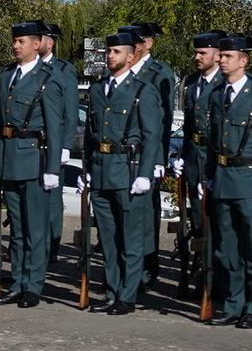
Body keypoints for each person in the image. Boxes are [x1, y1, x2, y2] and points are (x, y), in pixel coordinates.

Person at [81, 32, 163, 315]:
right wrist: (87, 169)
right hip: (101, 170)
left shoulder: (142, 91)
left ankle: (127, 295)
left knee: (130, 238)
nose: (110, 56)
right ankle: (112, 291)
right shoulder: (97, 90)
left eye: (116, 52)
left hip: (128, 171)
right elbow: (91, 134)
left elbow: (152, 137)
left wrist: (145, 174)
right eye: (108, 51)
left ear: (130, 56)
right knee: (108, 238)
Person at [0, 22, 64, 308]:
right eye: (14, 41)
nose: (16, 46)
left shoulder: (47, 79)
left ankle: (33, 285)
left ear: (36, 44)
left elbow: (54, 126)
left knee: (35, 229)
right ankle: (17, 282)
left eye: (21, 41)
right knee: (17, 228)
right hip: (9, 158)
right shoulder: (7, 75)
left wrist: (53, 167)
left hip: (33, 159)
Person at [205, 34, 252, 328]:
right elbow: (213, 142)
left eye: (228, 57)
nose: (221, 60)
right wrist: (209, 177)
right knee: (226, 248)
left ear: (243, 61)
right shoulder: (216, 95)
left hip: (249, 180)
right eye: (221, 56)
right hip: (223, 179)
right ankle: (232, 304)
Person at [120, 22, 176, 291]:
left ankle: (147, 268)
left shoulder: (159, 72)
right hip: (121, 155)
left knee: (145, 215)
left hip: (147, 153)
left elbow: (164, 120)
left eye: (135, 42)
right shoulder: (123, 69)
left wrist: (159, 158)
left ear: (148, 44)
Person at [173, 30, 226, 291]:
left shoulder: (224, 83)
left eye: (203, 53)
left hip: (214, 159)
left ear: (217, 56)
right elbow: (189, 126)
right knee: (197, 218)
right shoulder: (192, 83)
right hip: (194, 158)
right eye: (196, 52)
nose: (197, 57)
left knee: (217, 220)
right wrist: (182, 156)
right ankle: (199, 267)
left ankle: (216, 274)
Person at [36, 21, 79, 263]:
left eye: (39, 38)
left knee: (52, 199)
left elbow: (70, 111)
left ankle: (50, 249)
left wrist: (65, 145)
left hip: (53, 144)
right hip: (31, 145)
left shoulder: (63, 70)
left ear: (50, 42)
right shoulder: (27, 69)